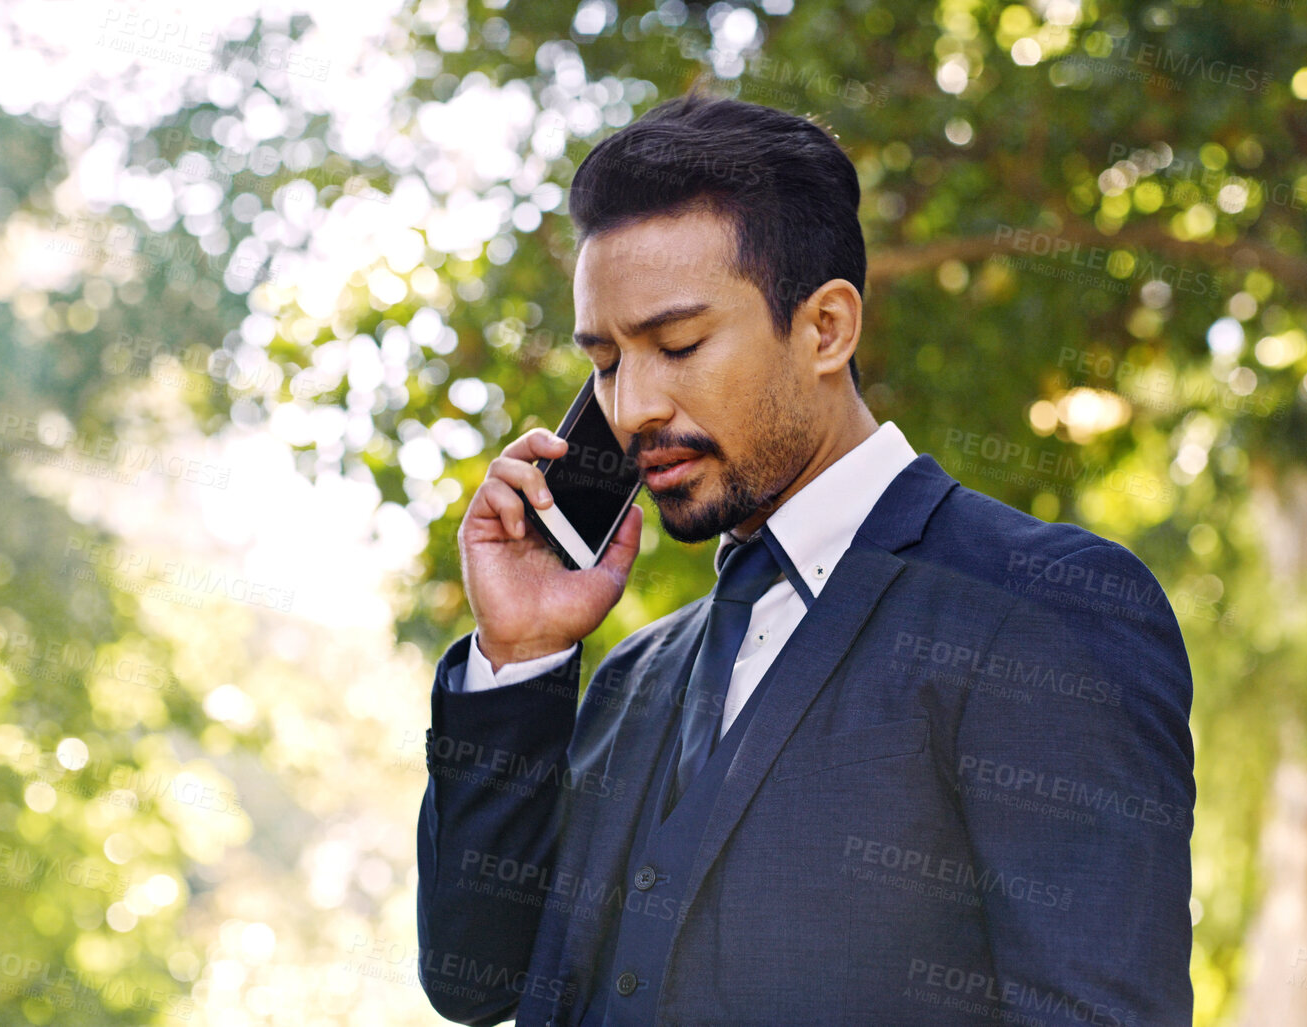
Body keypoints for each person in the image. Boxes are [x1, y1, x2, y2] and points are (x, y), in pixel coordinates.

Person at [415, 90, 1194, 1027]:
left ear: (825, 328)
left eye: (677, 343)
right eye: (607, 362)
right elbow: (474, 978)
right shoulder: (632, 675)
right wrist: (522, 654)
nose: (630, 410)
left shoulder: (1043, 607)